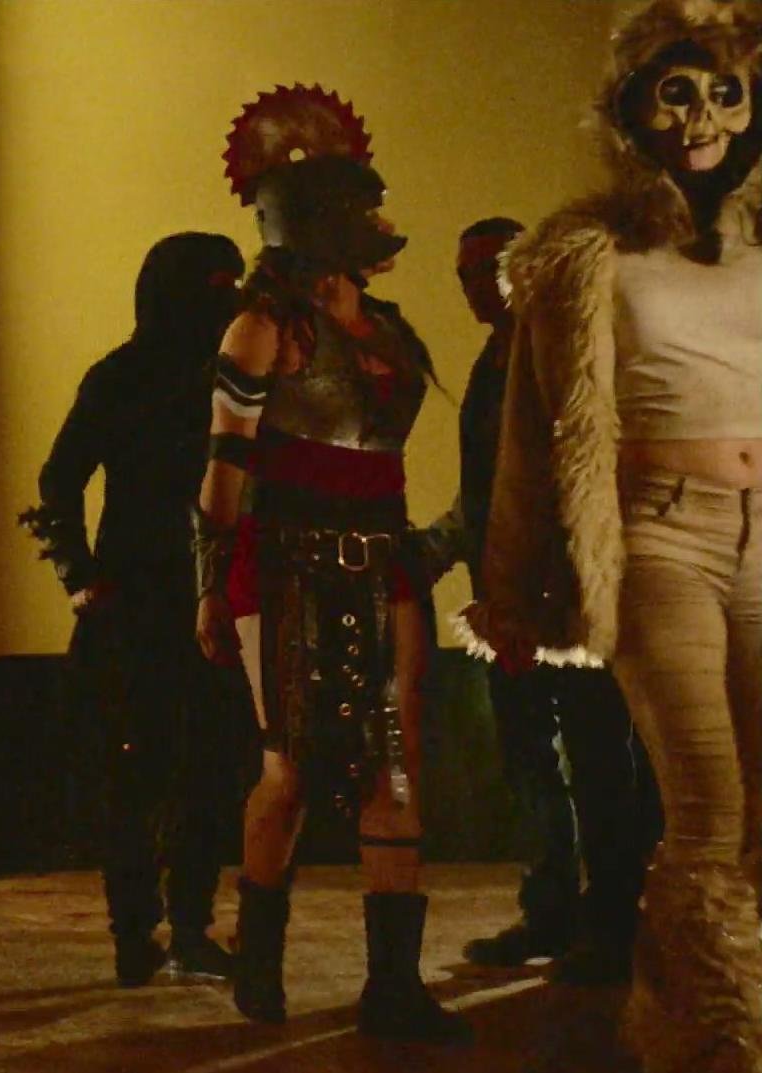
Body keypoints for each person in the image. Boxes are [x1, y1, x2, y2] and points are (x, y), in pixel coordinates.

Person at [476, 1, 762, 1068]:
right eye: (674, 93)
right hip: (660, 537)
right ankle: (715, 1040)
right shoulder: (582, 254)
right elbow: (530, 438)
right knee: (708, 804)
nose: (702, 117)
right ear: (631, 108)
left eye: (725, 93)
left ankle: (697, 1011)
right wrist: (511, 591)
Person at [195, 86, 470, 1044]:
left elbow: (384, 444)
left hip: (380, 562)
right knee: (291, 769)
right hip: (285, 566)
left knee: (394, 765)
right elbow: (222, 477)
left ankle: (392, 984)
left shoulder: (383, 327)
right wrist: (211, 585)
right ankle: (259, 958)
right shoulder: (261, 328)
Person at [431, 218, 658, 984]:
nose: (475, 286)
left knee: (598, 757)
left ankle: (613, 921)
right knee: (528, 757)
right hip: (507, 597)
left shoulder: (565, 351)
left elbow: (575, 477)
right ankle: (554, 911)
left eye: (487, 268)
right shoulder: (492, 363)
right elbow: (486, 491)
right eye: (463, 274)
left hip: (567, 596)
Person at [21, 232, 251, 987]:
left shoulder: (230, 376)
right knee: (140, 772)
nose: (230, 298)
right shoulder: (124, 377)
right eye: (216, 284)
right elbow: (59, 478)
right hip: (139, 600)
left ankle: (179, 927)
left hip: (205, 597)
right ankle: (140, 930)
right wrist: (79, 576)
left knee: (206, 767)